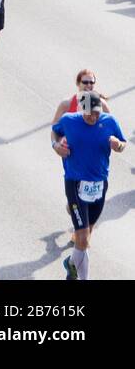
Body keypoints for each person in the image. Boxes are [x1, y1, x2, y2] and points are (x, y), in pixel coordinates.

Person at [52, 90, 127, 279]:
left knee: (85, 238)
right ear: (81, 110)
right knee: (83, 237)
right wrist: (56, 145)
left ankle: (71, 264)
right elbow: (55, 131)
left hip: (100, 185)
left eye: (96, 113)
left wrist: (118, 145)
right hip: (75, 182)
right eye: (89, 113)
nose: (93, 117)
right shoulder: (69, 120)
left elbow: (123, 144)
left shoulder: (109, 121)